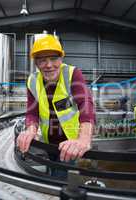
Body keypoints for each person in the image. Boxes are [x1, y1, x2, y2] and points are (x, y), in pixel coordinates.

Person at [16, 34, 95, 177]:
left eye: (53, 59)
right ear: (36, 63)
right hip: (48, 144)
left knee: (60, 181)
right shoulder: (32, 81)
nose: (48, 65)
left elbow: (86, 103)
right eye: (42, 60)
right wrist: (30, 130)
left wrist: (84, 138)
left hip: (70, 145)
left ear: (61, 58)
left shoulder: (72, 74)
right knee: (52, 173)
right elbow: (32, 112)